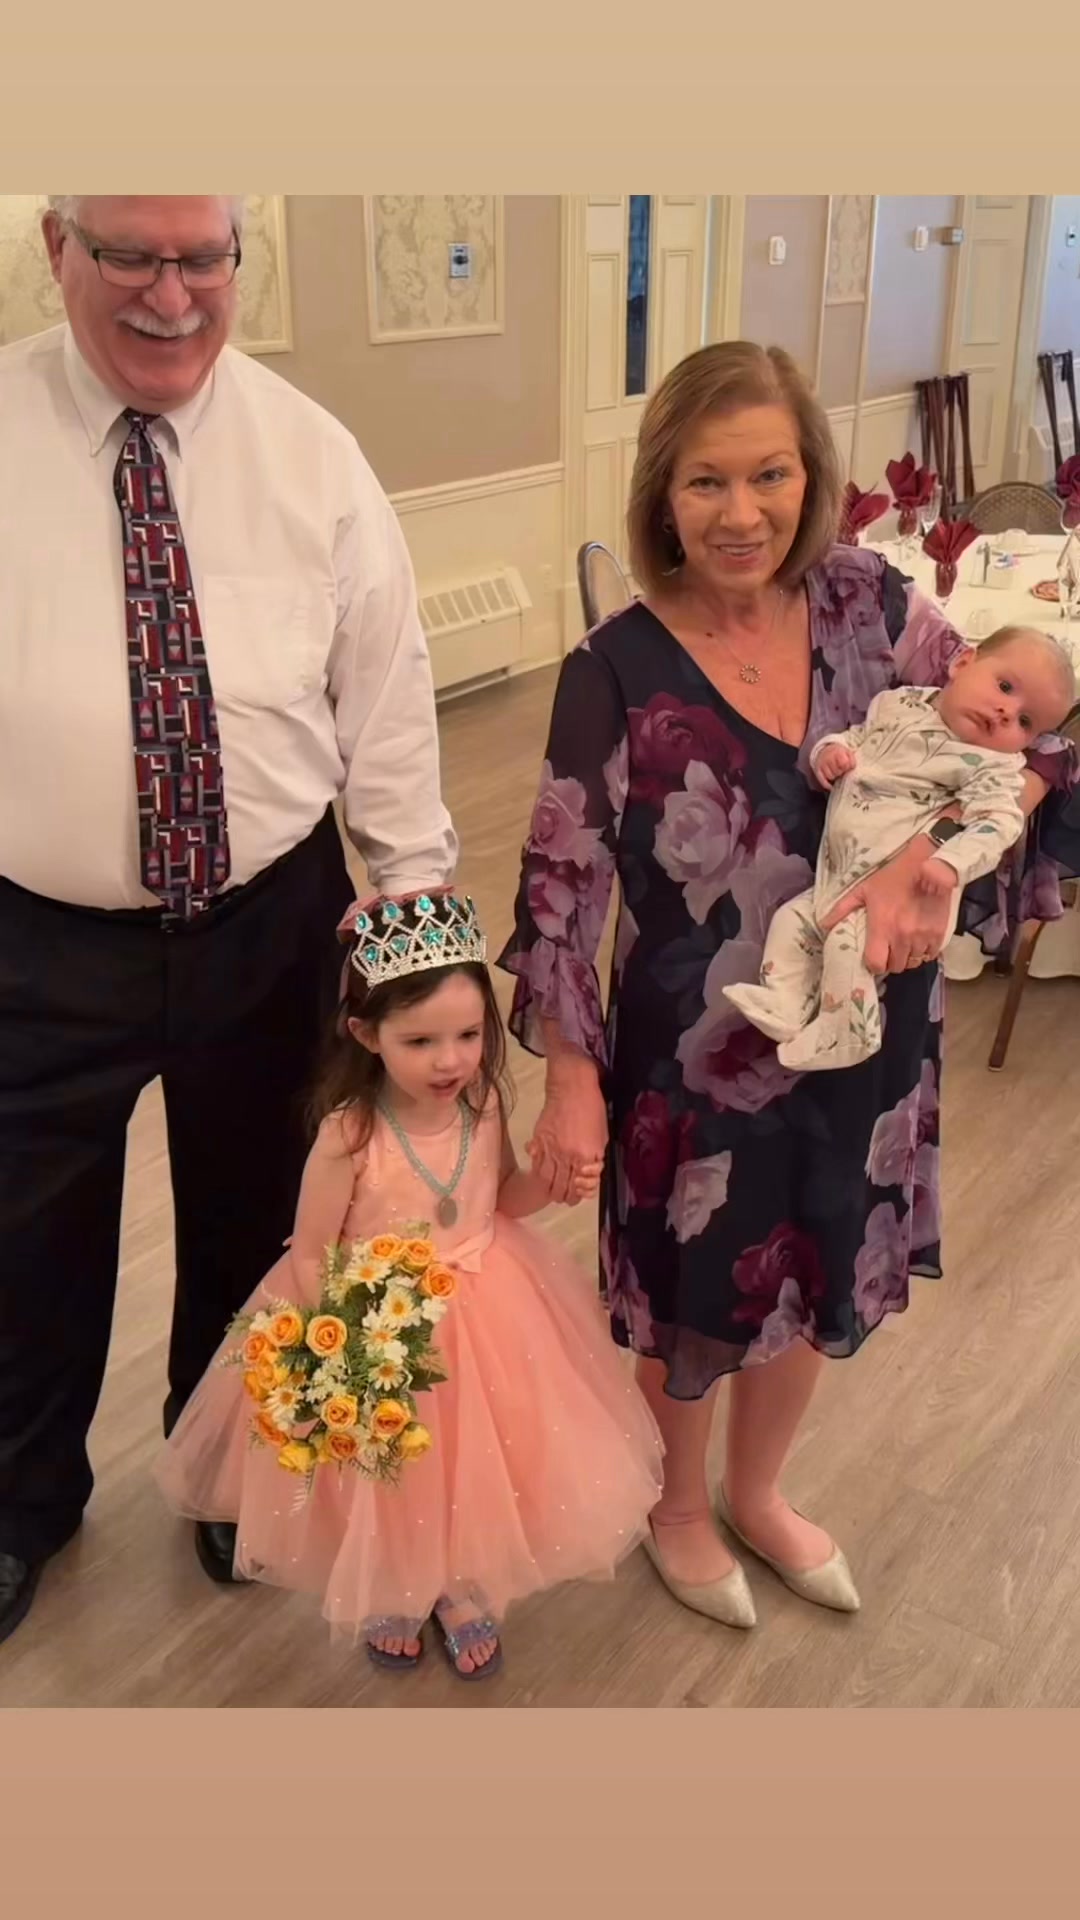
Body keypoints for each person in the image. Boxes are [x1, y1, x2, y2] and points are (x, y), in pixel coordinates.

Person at [499, 340, 1079, 1629]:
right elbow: (562, 886)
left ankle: (760, 1493)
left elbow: (1053, 736)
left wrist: (935, 859)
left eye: (769, 475)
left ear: (810, 476)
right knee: (701, 1302)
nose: (743, 513)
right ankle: (680, 1507)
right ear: (661, 494)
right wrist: (573, 1084)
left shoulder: (878, 608)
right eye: (707, 483)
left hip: (868, 1032)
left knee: (814, 1263)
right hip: (697, 1056)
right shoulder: (614, 667)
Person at [0, 196, 456, 1644]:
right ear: (56, 246)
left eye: (203, 256)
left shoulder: (312, 454)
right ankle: (19, 1508)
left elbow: (384, 718)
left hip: (276, 922)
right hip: (33, 937)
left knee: (271, 1228)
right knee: (23, 1242)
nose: (170, 294)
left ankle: (233, 1484)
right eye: (130, 254)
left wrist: (419, 959)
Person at [156, 889, 664, 1678]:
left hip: (488, 1312)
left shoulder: (484, 1103)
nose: (451, 1060)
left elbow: (497, 1201)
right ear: (367, 1035)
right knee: (390, 1469)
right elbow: (314, 1251)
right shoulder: (349, 1133)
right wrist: (344, 1354)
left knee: (479, 1461)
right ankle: (397, 1579)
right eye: (420, 1040)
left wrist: (552, 1186)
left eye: (467, 1035)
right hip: (379, 1321)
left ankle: (458, 1583)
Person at [726, 626, 1075, 1071]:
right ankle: (785, 1003)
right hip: (840, 870)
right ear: (963, 662)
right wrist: (830, 753)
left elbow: (999, 823)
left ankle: (849, 1029)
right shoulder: (901, 704)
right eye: (1005, 686)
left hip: (912, 884)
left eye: (1026, 722)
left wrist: (950, 860)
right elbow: (859, 738)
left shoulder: (993, 766)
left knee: (848, 948)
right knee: (792, 921)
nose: (1007, 711)